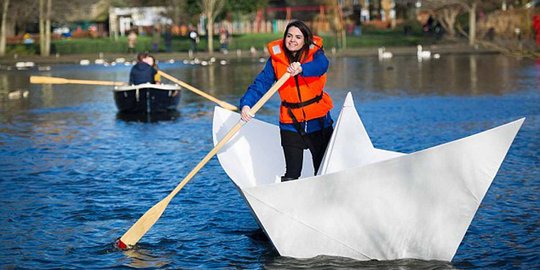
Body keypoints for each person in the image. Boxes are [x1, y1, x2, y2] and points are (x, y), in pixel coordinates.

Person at [240, 20, 334, 182]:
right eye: (289, 36)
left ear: (305, 40)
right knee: (291, 174)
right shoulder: (276, 61)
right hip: (290, 122)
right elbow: (261, 84)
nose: (292, 40)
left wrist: (302, 69)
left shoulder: (316, 55)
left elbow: (322, 66)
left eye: (298, 37)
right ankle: (290, 202)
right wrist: (246, 104)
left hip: (318, 121)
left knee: (322, 171)